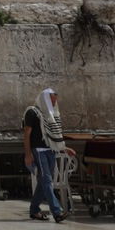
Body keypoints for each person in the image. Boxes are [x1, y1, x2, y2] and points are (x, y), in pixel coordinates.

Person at [23, 88, 74, 222]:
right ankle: (57, 212)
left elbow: (53, 136)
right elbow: (27, 135)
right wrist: (28, 154)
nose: (54, 102)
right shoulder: (32, 112)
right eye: (51, 99)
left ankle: (34, 210)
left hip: (50, 150)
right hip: (38, 151)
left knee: (43, 181)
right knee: (46, 180)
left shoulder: (50, 115)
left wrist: (63, 148)